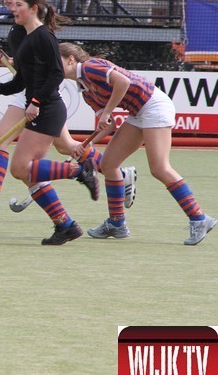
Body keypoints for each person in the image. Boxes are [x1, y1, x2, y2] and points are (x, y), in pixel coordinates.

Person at [0, 0, 134, 220]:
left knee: (12, 145)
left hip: (41, 95)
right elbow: (27, 66)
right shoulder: (18, 27)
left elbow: (47, 69)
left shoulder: (35, 30)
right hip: (29, 91)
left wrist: (32, 93)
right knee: (63, 146)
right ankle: (114, 175)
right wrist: (9, 64)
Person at [59, 43, 216, 245]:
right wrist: (86, 144)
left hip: (153, 105)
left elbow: (122, 82)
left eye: (56, 60)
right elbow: (108, 125)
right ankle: (117, 223)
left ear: (71, 60)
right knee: (109, 164)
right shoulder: (86, 91)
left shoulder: (90, 67)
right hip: (137, 113)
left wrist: (107, 112)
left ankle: (199, 218)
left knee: (159, 168)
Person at [0, 0, 97, 245]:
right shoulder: (28, 39)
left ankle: (80, 170)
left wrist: (35, 101)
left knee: (20, 168)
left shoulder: (44, 36)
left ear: (33, 8)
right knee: (29, 174)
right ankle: (65, 225)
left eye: (19, 5)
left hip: (47, 109)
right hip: (40, 108)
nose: (13, 9)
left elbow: (56, 74)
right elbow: (21, 81)